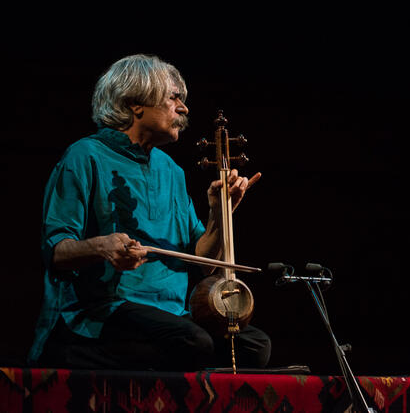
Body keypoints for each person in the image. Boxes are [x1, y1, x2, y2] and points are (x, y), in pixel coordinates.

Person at [28, 54, 271, 371]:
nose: (183, 109)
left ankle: (177, 362)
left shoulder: (171, 170)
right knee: (193, 342)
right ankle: (73, 353)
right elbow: (56, 251)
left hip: (172, 316)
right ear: (134, 103)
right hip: (107, 309)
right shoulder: (84, 156)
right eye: (174, 98)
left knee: (255, 346)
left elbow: (203, 261)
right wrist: (101, 246)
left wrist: (219, 212)